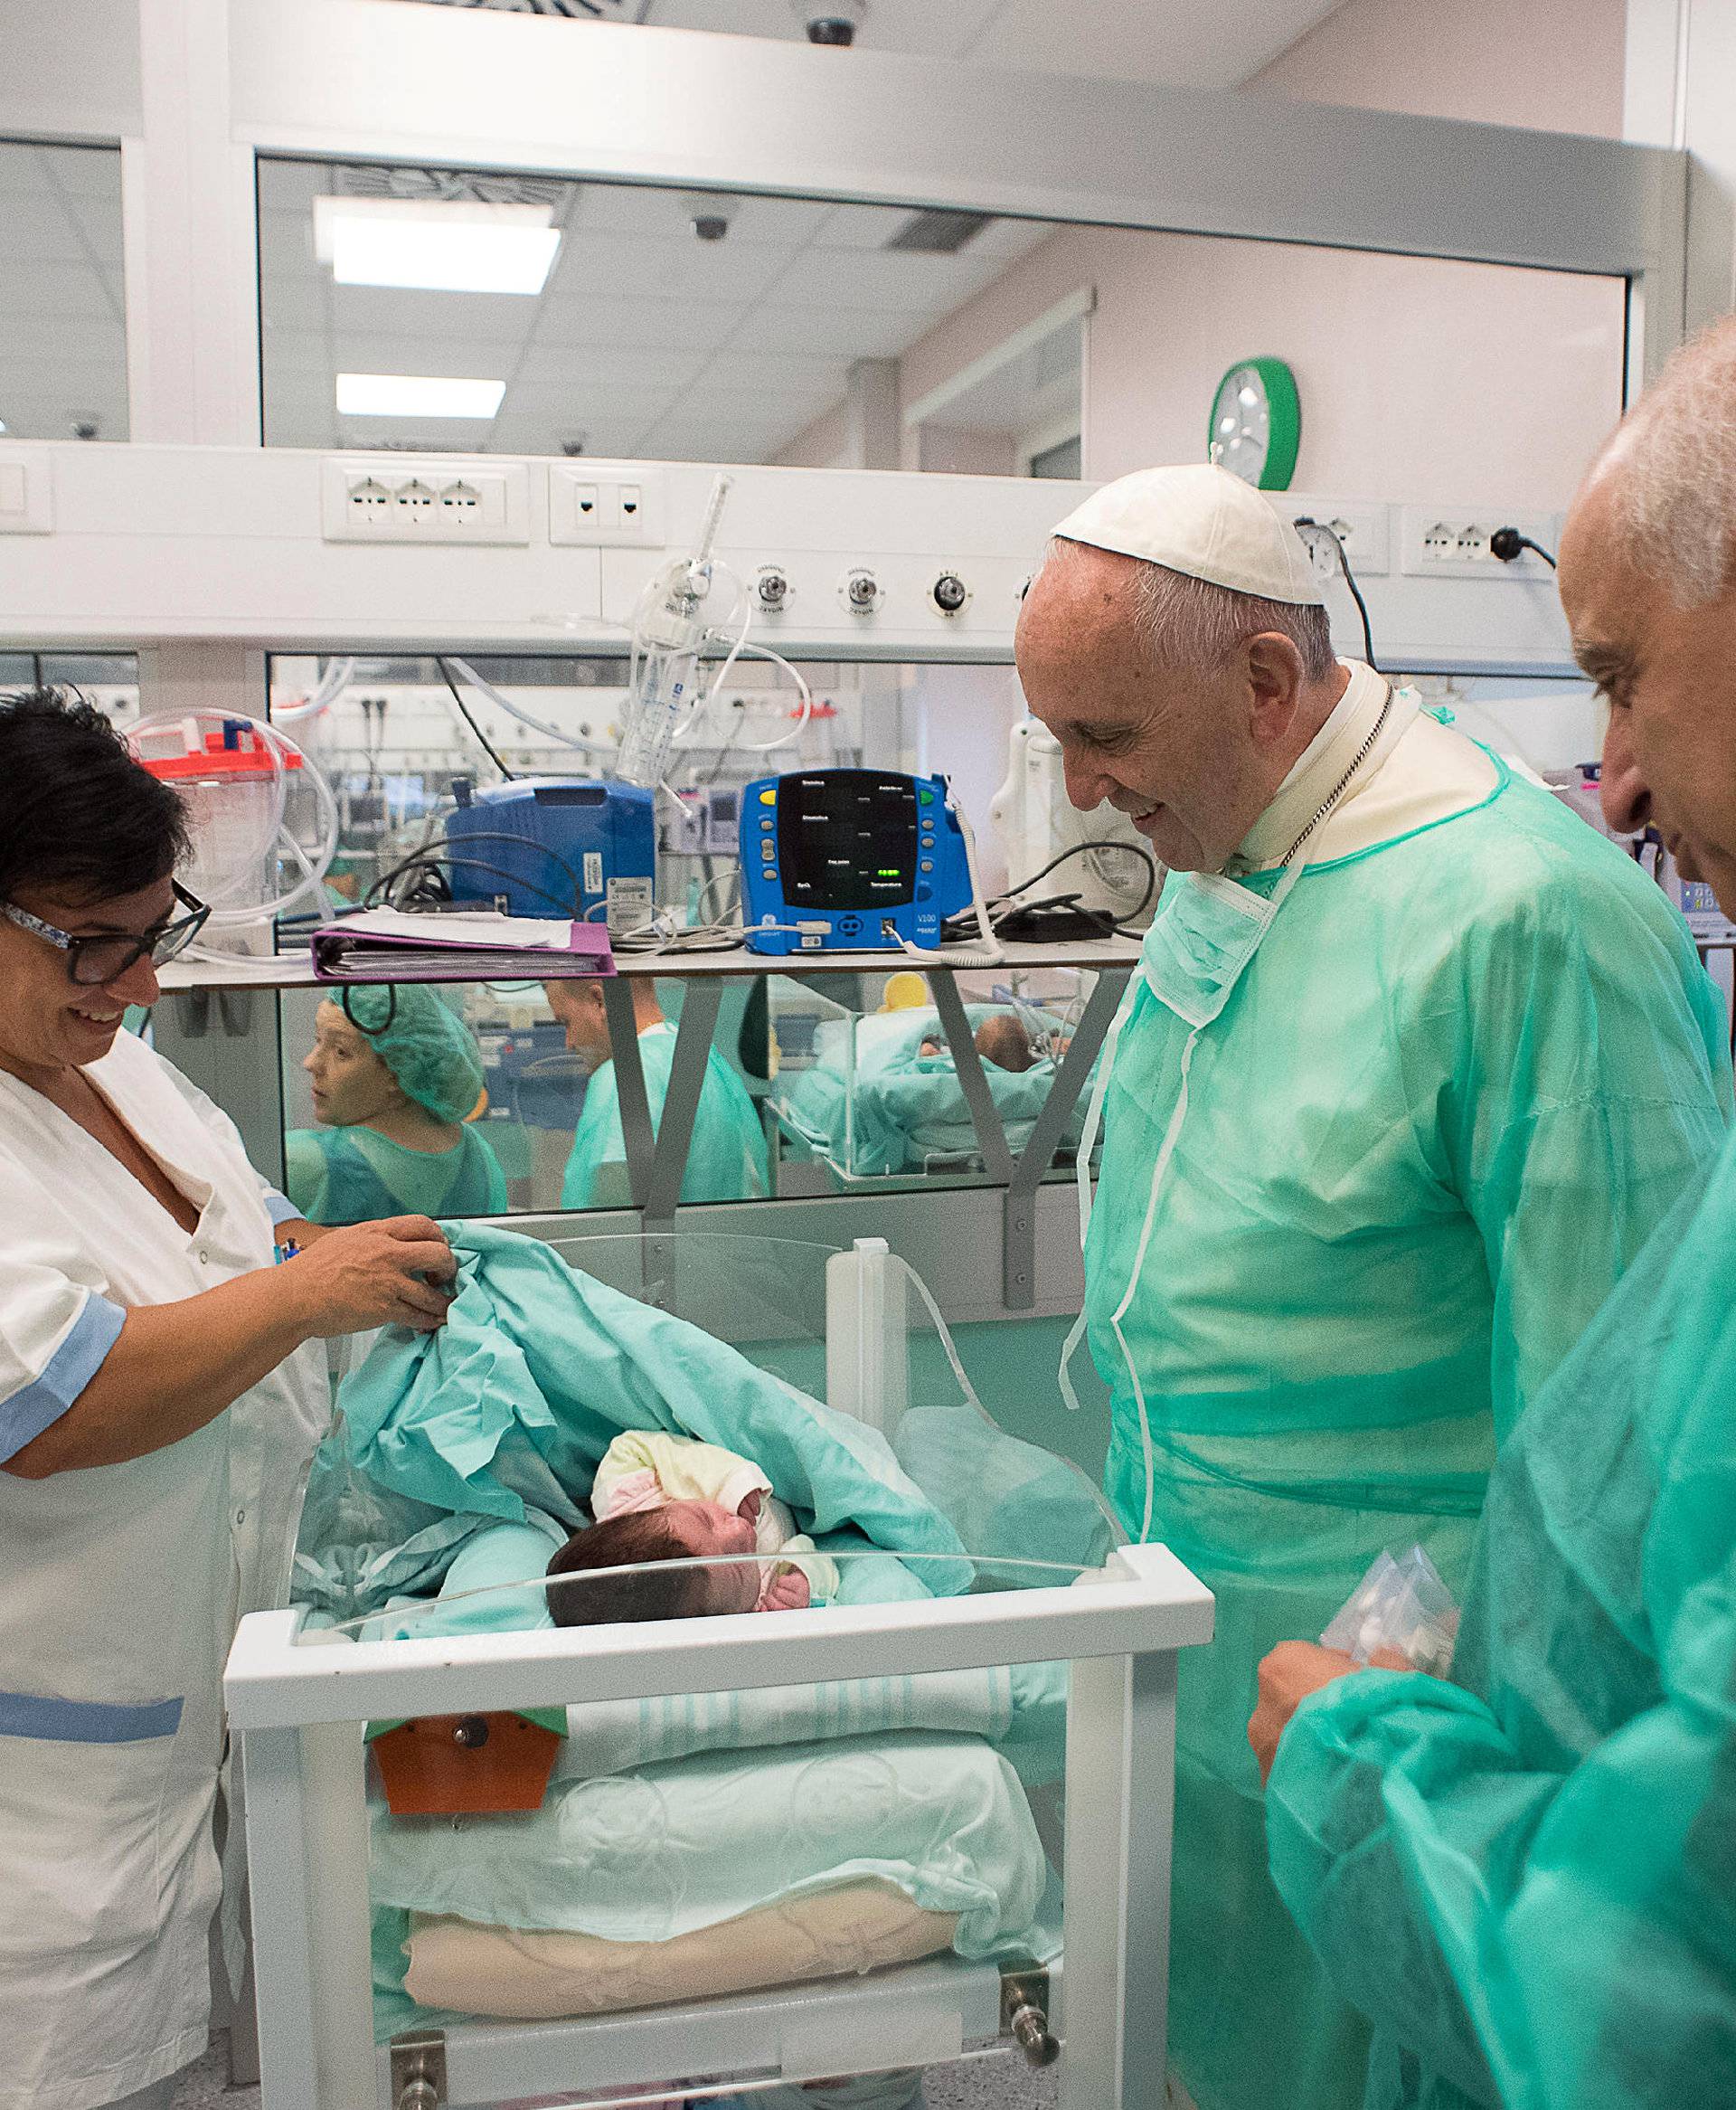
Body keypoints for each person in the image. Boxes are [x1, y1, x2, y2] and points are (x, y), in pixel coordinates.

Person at [1011, 463, 1731, 2110]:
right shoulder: (1236, 854)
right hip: (1208, 1655)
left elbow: (1610, 1456)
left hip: (1412, 1706)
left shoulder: (1527, 920)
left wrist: (1433, 1750)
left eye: (1106, 739)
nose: (1080, 789)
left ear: (1266, 685)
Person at [1250, 317, 1736, 2110]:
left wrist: (1385, 1782)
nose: (1610, 778)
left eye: (1620, 672)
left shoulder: (1533, 916)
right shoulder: (1244, 919)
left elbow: (1685, 1950)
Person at [0, 692, 458, 2110]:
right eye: (94, 941)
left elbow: (261, 1243)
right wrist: (311, 1296)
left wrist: (437, 1272)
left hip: (210, 1721)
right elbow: (50, 1404)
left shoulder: (119, 1072)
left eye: (155, 935)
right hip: (51, 1798)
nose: (138, 987)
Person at [545, 1426, 836, 1623]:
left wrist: (728, 1483)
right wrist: (802, 1578)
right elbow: (809, 1548)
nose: (738, 1530)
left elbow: (632, 1445)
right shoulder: (759, 1601)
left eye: (706, 1519)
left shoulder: (629, 1495)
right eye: (736, 1566)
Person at [286, 983, 507, 1224]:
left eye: (341, 1052)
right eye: (318, 1041)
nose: (311, 1063)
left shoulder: (303, 1162)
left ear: (397, 1070)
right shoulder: (479, 1158)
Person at [545, 976, 768, 1207]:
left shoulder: (624, 1077)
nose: (569, 1042)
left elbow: (611, 1217)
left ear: (599, 1000)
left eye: (566, 1022)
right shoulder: (706, 1058)